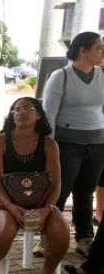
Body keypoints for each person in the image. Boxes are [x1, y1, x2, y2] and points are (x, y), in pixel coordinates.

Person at [0, 97, 69, 274]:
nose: (20, 112)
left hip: (41, 201)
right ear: (12, 115)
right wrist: (11, 207)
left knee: (62, 231)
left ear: (38, 115)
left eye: (27, 108)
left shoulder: (49, 144)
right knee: (7, 228)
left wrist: (48, 209)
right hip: (2, 199)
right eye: (16, 109)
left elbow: (56, 183)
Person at [42, 32, 104, 257]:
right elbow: (49, 113)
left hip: (97, 143)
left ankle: (84, 239)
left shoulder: (102, 76)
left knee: (85, 192)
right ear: (82, 50)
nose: (102, 52)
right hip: (67, 145)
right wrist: (50, 146)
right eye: (98, 48)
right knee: (58, 192)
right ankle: (47, 238)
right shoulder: (61, 76)